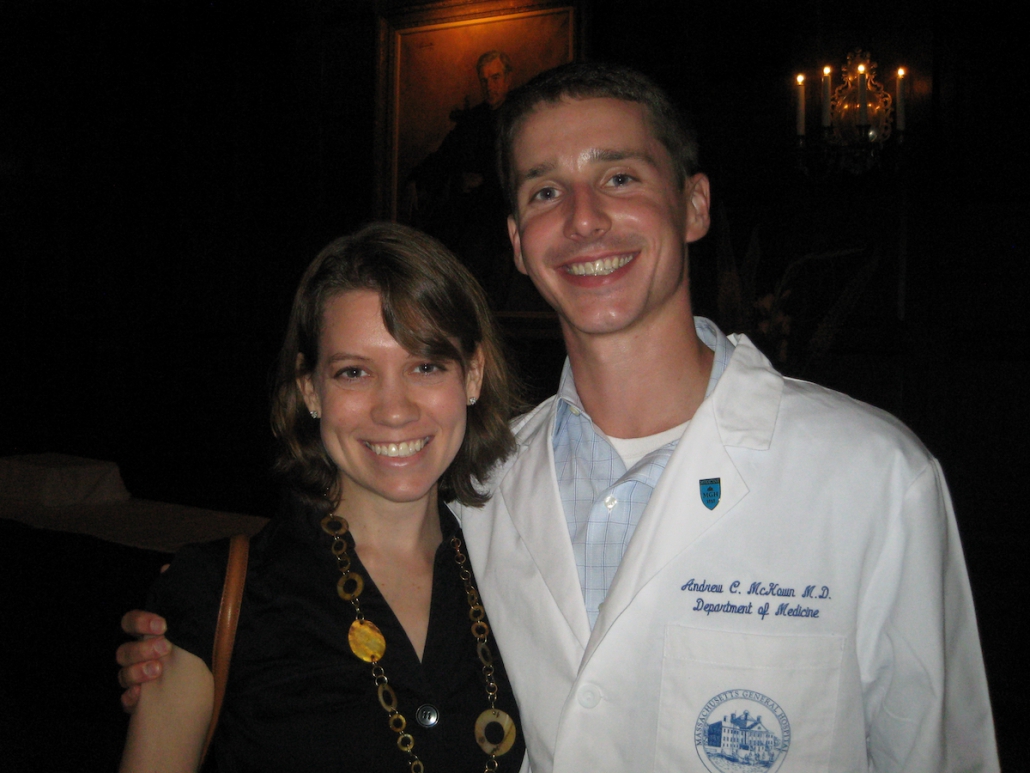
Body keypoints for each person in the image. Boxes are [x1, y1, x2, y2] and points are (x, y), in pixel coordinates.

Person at [120, 63, 999, 772]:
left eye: (619, 175)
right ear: (514, 241)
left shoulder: (873, 477)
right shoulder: (480, 493)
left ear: (694, 205)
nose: (583, 219)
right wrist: (191, 644)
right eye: (544, 192)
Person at [118, 222, 526, 772]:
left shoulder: (521, 572)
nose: (394, 409)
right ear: (311, 389)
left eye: (425, 366)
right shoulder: (215, 594)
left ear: (472, 375)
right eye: (354, 372)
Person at [405, 51, 515, 308]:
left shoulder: (520, 116)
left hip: (500, 213)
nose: (490, 86)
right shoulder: (473, 120)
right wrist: (416, 179)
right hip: (468, 213)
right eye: (484, 80)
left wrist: (486, 181)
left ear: (508, 79)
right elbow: (445, 155)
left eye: (496, 78)